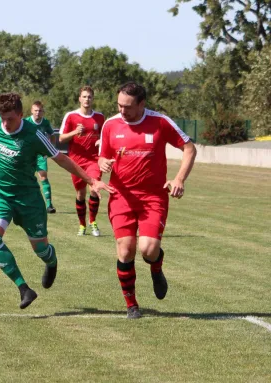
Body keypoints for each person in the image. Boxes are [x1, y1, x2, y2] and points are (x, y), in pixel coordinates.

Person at [0, 93, 114, 309]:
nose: (6, 123)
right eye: (3, 118)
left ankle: (51, 262)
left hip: (29, 201)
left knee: (41, 249)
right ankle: (24, 289)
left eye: (11, 119)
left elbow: (61, 159)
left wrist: (91, 180)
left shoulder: (33, 135)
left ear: (21, 115)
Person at [98, 82, 197, 319]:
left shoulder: (160, 122)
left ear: (142, 104)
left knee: (148, 249)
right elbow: (102, 155)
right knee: (126, 249)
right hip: (121, 196)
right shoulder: (110, 124)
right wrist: (101, 164)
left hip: (153, 197)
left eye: (128, 107)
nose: (122, 111)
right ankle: (131, 305)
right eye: (119, 105)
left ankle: (156, 266)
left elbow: (189, 148)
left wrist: (179, 179)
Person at [59, 86, 106, 235]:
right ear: (80, 98)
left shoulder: (99, 117)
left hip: (94, 160)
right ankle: (82, 225)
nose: (87, 99)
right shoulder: (71, 116)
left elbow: (106, 136)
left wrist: (102, 142)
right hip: (76, 162)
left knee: (94, 188)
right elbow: (61, 138)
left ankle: (93, 222)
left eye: (89, 97)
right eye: (84, 96)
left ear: (93, 99)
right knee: (80, 194)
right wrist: (74, 132)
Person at [24, 101, 56, 213]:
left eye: (40, 110)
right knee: (26, 177)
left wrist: (50, 148)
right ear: (31, 111)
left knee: (43, 177)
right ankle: (26, 204)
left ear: (43, 112)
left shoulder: (45, 122)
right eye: (35, 110)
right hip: (28, 155)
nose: (37, 113)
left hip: (41, 155)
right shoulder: (26, 122)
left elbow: (52, 135)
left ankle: (49, 205)